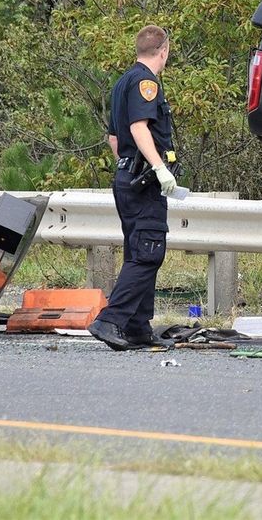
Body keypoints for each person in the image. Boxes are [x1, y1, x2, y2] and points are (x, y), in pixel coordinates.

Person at [87, 24, 179, 351]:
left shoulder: (122, 83)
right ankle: (110, 320)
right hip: (144, 182)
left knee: (139, 252)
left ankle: (138, 326)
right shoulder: (145, 83)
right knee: (148, 253)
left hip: (127, 179)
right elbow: (138, 128)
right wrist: (156, 167)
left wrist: (127, 167)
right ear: (164, 51)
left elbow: (114, 138)